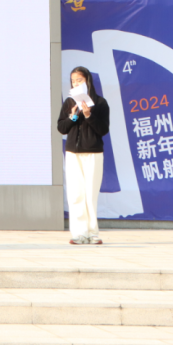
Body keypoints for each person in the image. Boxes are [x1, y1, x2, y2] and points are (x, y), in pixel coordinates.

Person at [56, 66, 110, 245]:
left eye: (79, 80)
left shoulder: (100, 103)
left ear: (88, 81)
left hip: (93, 153)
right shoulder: (70, 102)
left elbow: (103, 130)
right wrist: (73, 117)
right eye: (73, 81)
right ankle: (79, 233)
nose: (76, 83)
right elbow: (61, 128)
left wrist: (88, 115)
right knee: (75, 194)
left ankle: (93, 233)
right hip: (73, 153)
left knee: (90, 194)